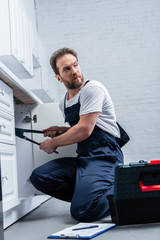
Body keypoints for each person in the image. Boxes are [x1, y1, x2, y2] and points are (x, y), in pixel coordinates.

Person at [30, 47, 129, 222]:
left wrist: (54, 143)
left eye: (75, 65)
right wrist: (62, 130)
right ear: (59, 77)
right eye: (67, 69)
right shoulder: (63, 103)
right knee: (39, 177)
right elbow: (85, 127)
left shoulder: (93, 89)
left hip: (105, 156)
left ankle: (125, 186)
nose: (74, 71)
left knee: (83, 211)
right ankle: (87, 196)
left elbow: (85, 130)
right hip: (84, 158)